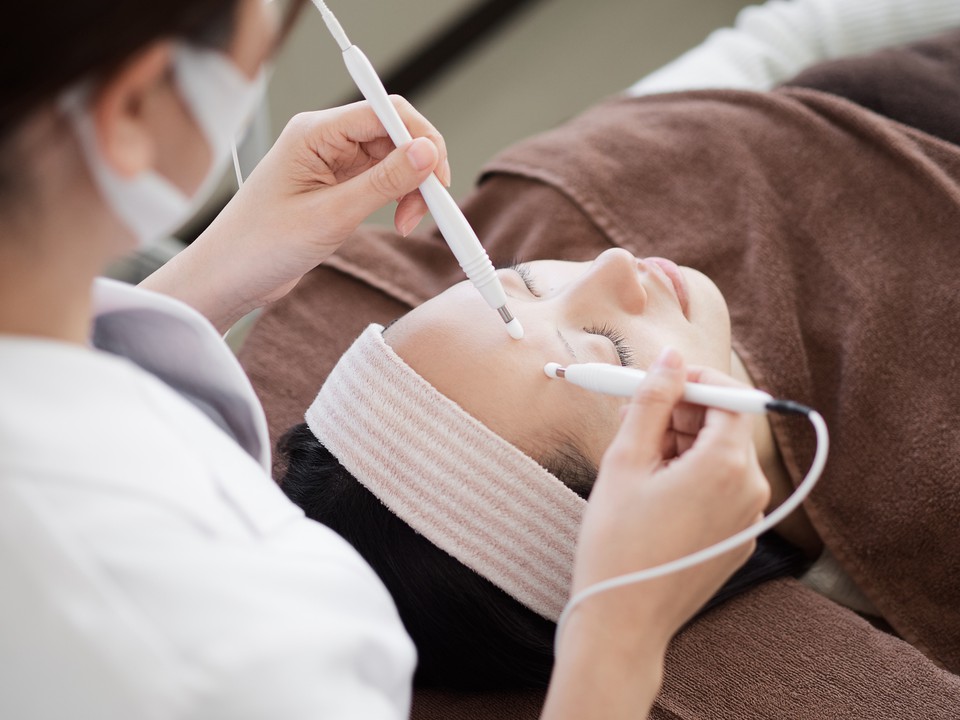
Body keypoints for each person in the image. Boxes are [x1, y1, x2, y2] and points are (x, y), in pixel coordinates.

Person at [0, 1, 775, 719]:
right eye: (271, 34)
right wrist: (619, 634)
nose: (611, 261)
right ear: (136, 108)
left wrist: (207, 276)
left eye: (524, 278)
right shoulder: (231, 661)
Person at [275, 18, 960, 702]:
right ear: (662, 476)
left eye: (525, 279)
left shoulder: (572, 188)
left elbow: (791, 39)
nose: (610, 267)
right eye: (609, 349)